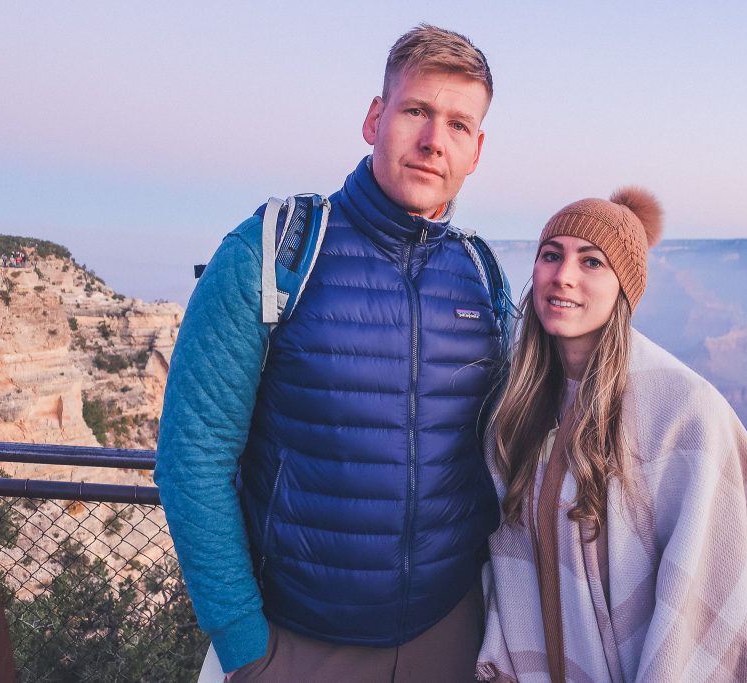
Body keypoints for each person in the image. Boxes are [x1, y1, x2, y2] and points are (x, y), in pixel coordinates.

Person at [155, 24, 505, 682]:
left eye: (459, 125)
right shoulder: (274, 250)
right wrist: (245, 646)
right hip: (299, 640)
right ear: (375, 119)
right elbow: (191, 457)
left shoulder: (481, 275)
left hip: (450, 630)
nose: (434, 141)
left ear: (476, 150)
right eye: (416, 111)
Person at [475, 188, 747, 682]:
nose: (563, 276)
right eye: (551, 255)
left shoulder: (682, 409)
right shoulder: (518, 401)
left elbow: (704, 587)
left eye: (592, 262)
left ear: (624, 287)